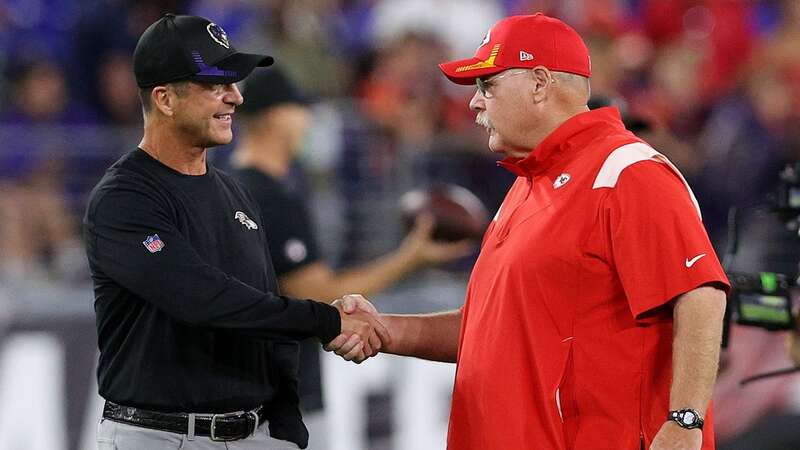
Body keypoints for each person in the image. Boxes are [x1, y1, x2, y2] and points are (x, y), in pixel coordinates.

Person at [329, 13, 729, 450]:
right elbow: (492, 330)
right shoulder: (527, 184)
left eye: (488, 85)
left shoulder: (626, 173)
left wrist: (684, 421)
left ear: (540, 83)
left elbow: (699, 294)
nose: (474, 103)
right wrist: (385, 328)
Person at [83, 14, 388, 450]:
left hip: (254, 433)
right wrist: (326, 319)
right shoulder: (124, 198)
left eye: (235, 84)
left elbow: (259, 311)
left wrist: (285, 426)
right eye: (216, 85)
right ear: (165, 99)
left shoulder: (236, 194)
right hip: (158, 437)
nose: (237, 97)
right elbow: (204, 299)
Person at [230, 67, 474, 449]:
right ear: (276, 116)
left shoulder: (225, 186)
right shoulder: (271, 196)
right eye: (300, 110)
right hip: (280, 402)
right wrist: (411, 257)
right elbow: (315, 295)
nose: (308, 122)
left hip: (245, 393)